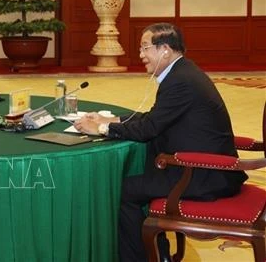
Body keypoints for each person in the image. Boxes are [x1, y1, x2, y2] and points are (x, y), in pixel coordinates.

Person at [73, 23, 247, 262]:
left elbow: (149, 128)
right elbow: (156, 117)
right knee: (139, 176)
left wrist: (102, 128)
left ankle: (145, 257)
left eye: (145, 48)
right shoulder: (182, 72)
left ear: (165, 49)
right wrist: (110, 118)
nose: (141, 55)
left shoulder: (180, 81)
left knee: (124, 191)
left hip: (205, 174)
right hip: (199, 166)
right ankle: (158, 252)